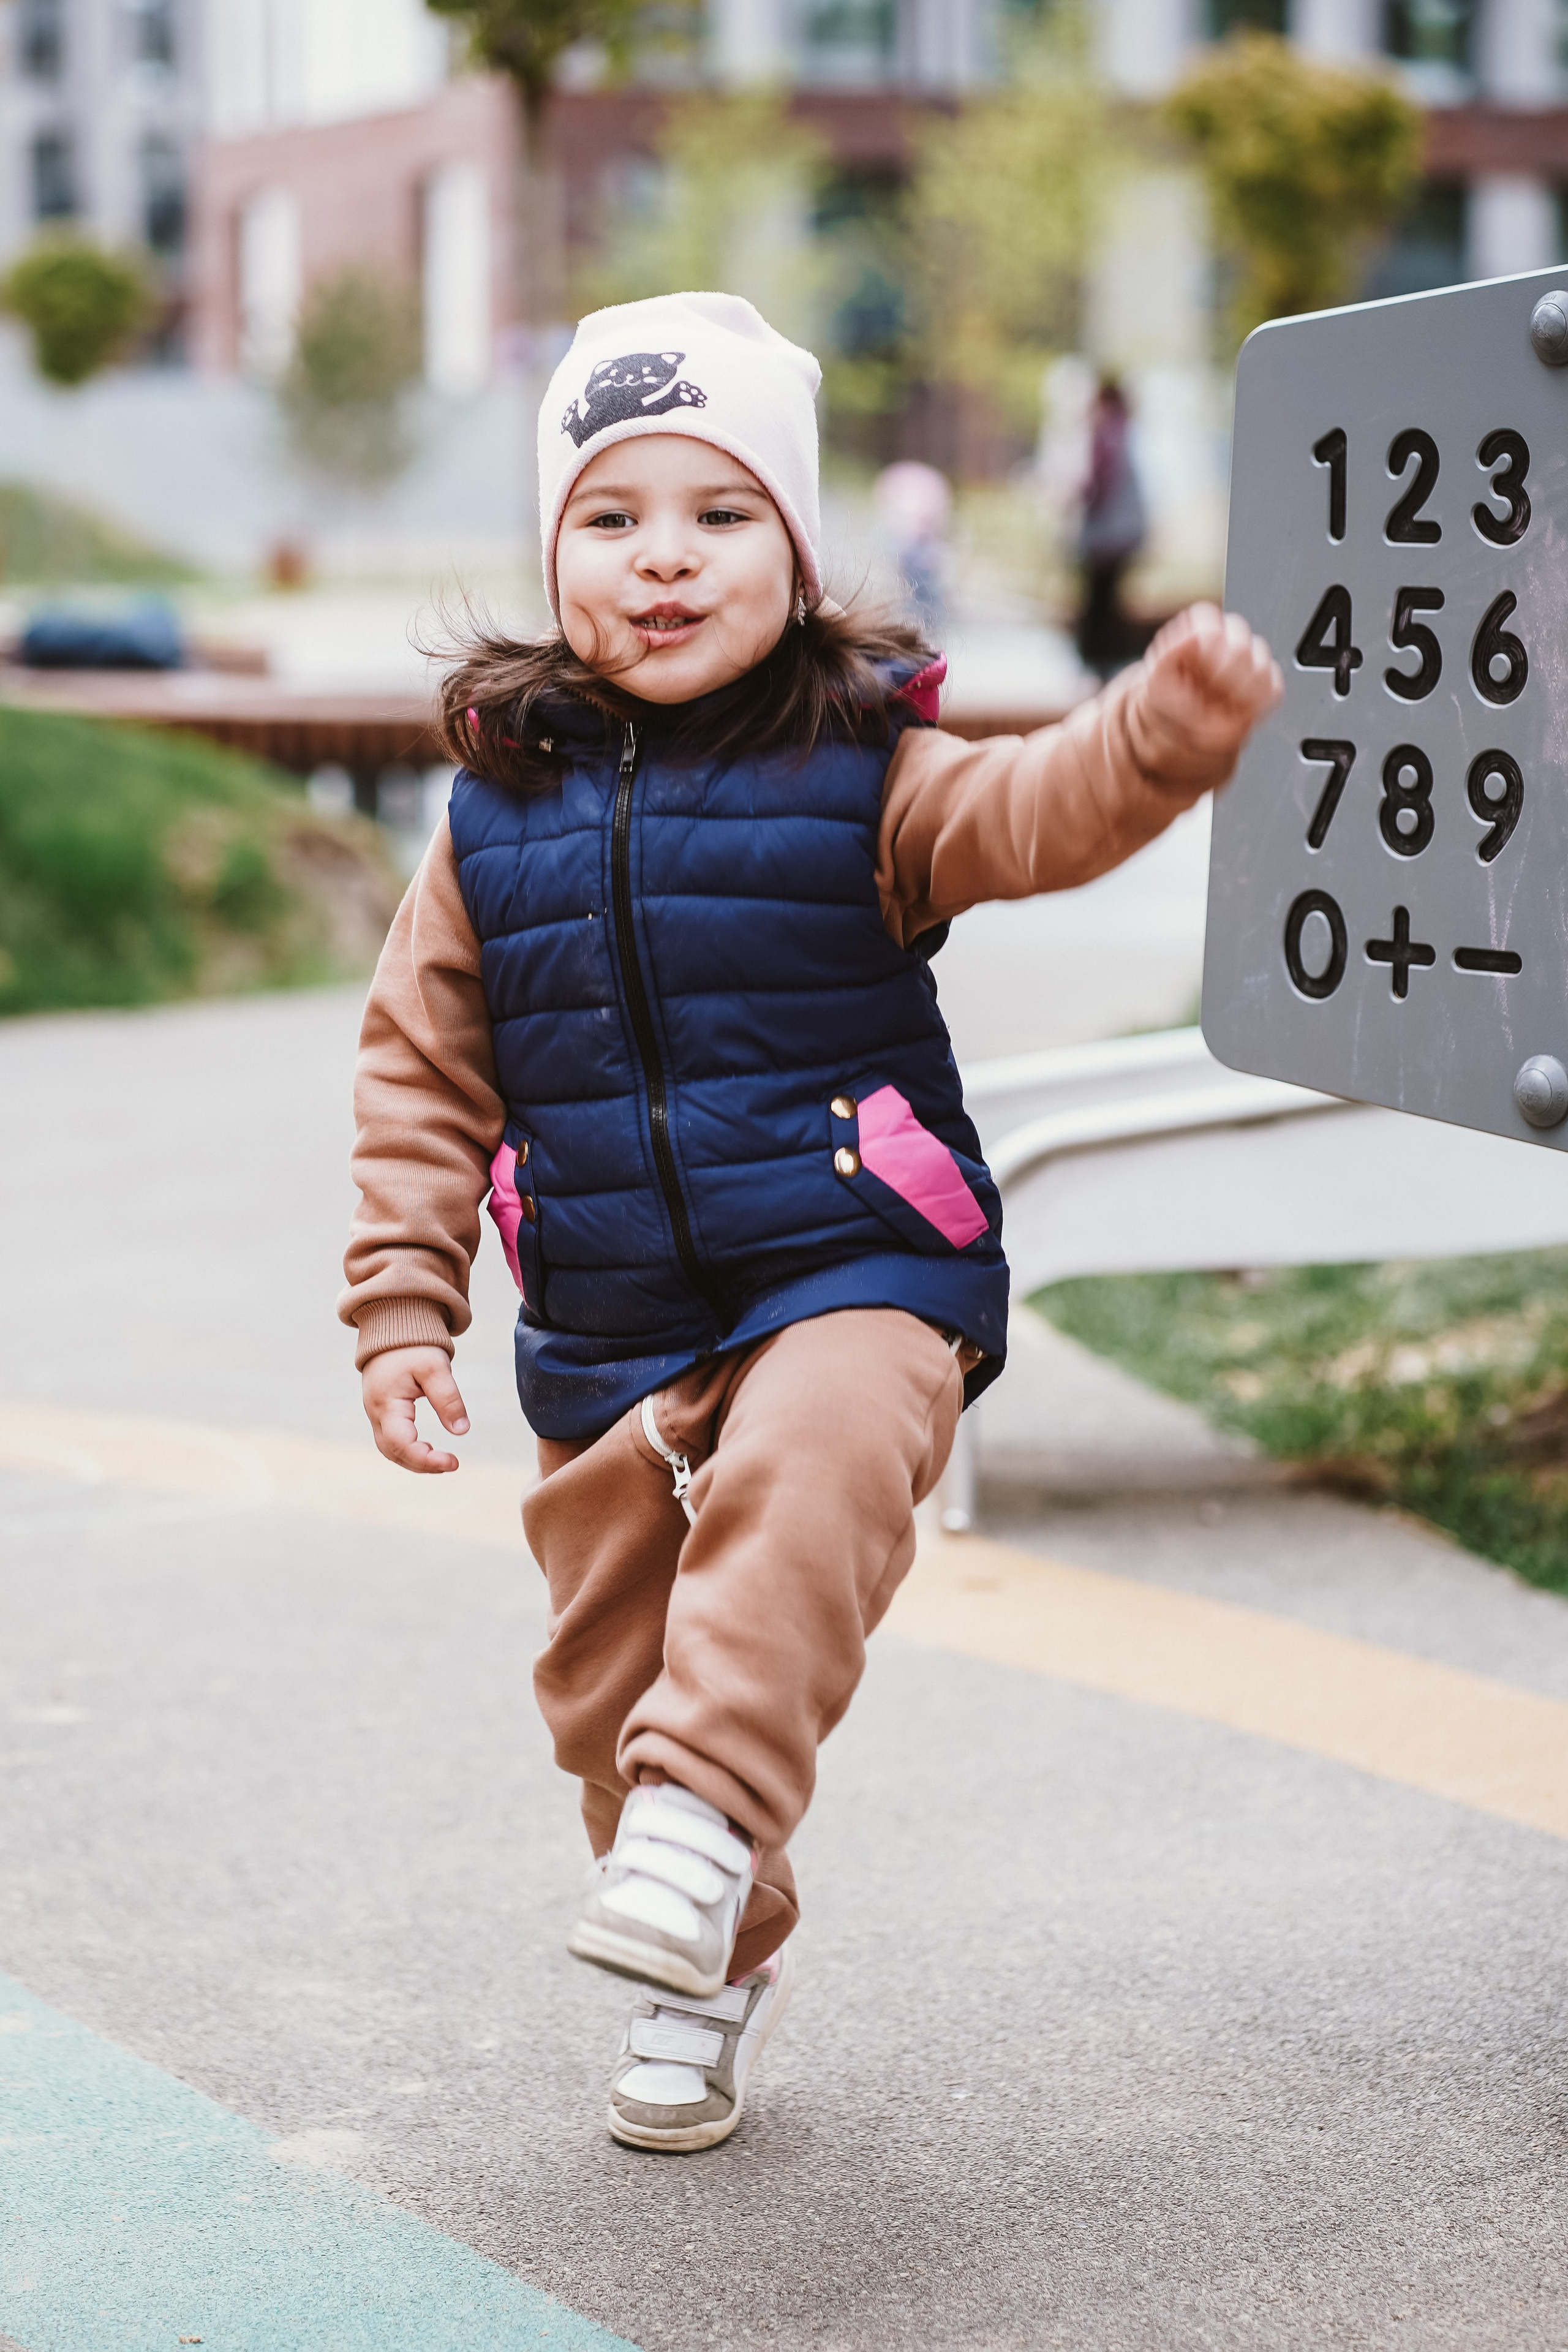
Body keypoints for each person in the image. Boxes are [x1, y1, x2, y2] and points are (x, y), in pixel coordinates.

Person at [339, 292, 1281, 2156]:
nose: (663, 556)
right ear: (551, 552)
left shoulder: (866, 767)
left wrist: (1151, 741)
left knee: (805, 1475)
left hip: (859, 1263)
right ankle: (715, 1949)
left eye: (721, 513)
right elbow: (417, 1068)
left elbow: (1032, 809)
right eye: (612, 517)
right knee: (606, 1698)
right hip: (608, 1318)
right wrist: (398, 1303)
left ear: (796, 551)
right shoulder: (491, 817)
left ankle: (701, 1815)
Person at [1076, 375, 1147, 679]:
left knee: (1099, 596)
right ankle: (1107, 656)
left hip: (1107, 530)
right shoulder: (1125, 429)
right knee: (1109, 596)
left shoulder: (1104, 430)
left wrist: (1084, 499)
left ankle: (1098, 656)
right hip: (1126, 528)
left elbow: (1100, 478)